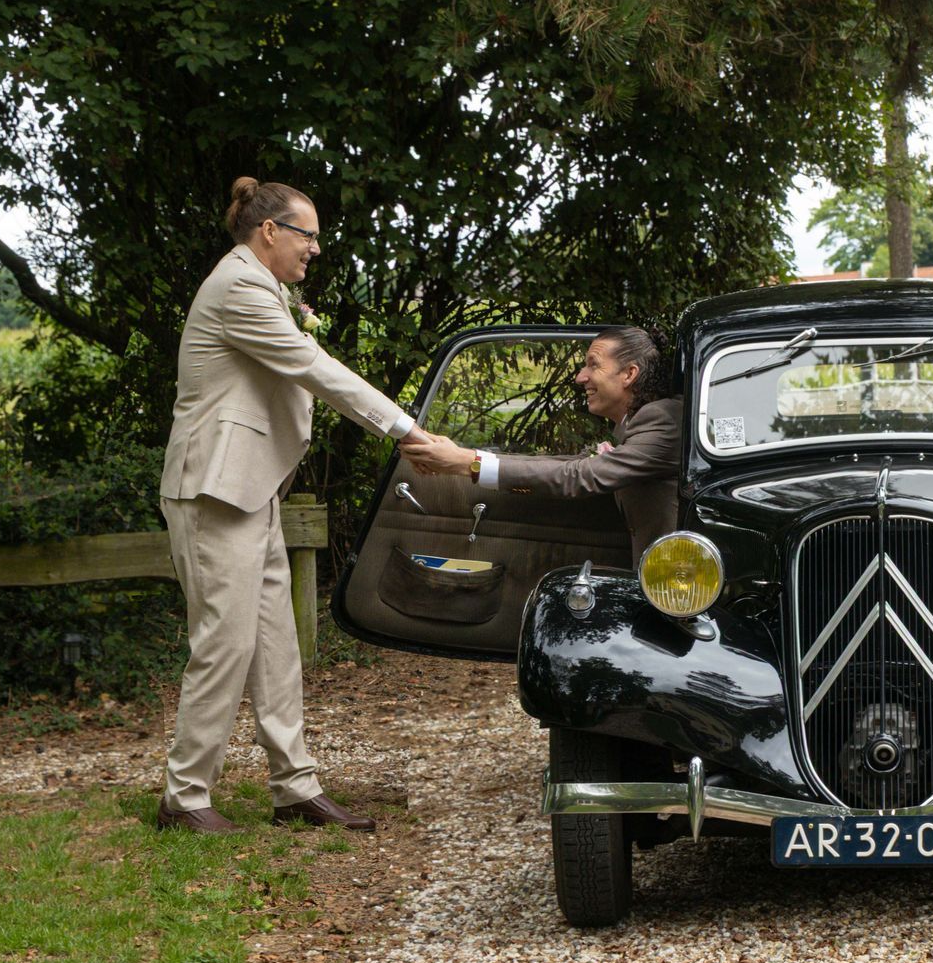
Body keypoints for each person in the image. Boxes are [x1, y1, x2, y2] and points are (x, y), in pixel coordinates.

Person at [157, 177, 431, 834]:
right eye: (307, 234)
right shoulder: (240, 286)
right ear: (269, 230)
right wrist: (409, 432)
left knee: (277, 644)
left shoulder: (267, 288)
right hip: (214, 491)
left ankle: (295, 788)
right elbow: (316, 370)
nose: (315, 248)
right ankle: (184, 796)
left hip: (253, 491)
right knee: (223, 644)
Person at [400, 327, 679, 563]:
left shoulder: (663, 419)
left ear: (629, 374)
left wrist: (466, 463)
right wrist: (468, 457)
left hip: (679, 584)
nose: (580, 377)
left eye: (593, 364)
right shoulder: (635, 422)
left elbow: (580, 476)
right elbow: (571, 465)